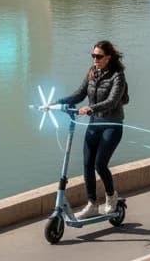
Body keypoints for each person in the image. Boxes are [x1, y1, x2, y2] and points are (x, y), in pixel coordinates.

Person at [57, 40, 128, 219]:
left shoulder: (117, 76)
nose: (95, 59)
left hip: (112, 125)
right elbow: (79, 94)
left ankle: (111, 197)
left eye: (99, 56)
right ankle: (91, 205)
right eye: (93, 56)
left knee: (100, 164)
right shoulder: (91, 72)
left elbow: (112, 101)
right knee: (87, 163)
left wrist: (91, 108)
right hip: (94, 125)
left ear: (108, 57)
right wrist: (59, 102)